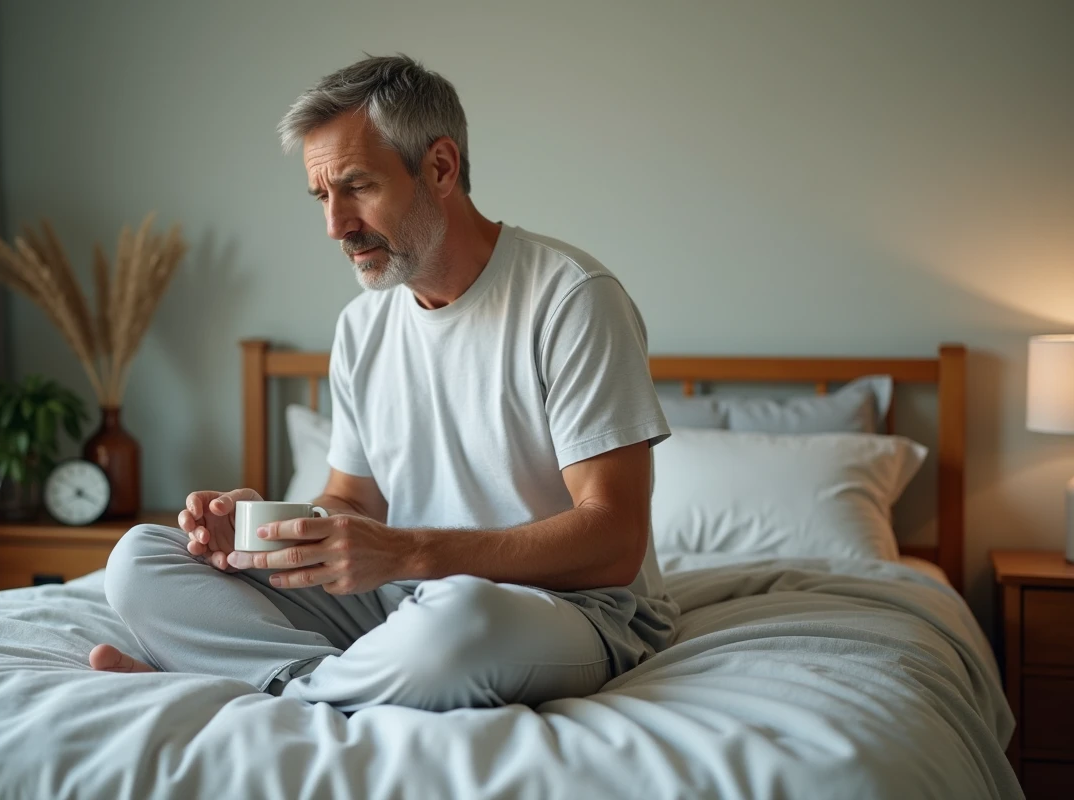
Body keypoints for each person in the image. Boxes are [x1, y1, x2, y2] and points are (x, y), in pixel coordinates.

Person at [88, 54, 676, 713]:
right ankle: (316, 685)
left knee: (460, 624)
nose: (335, 224)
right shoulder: (363, 326)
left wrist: (406, 553)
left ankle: (247, 690)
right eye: (322, 196)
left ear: (441, 167)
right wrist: (275, 529)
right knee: (138, 560)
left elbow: (614, 540)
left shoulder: (570, 299)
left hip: (565, 608)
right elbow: (353, 503)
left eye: (357, 187)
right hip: (408, 598)